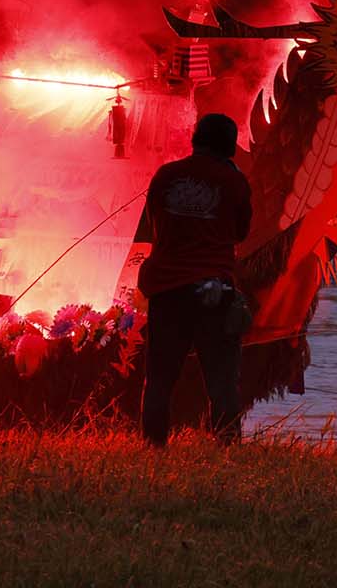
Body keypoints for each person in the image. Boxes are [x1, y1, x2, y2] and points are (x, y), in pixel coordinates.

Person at [139, 113, 252, 447]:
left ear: (195, 139)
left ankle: (153, 446)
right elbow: (241, 232)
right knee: (221, 380)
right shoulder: (235, 182)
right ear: (230, 145)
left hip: (167, 290)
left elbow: (154, 223)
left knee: (159, 377)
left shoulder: (166, 175)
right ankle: (227, 446)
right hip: (214, 291)